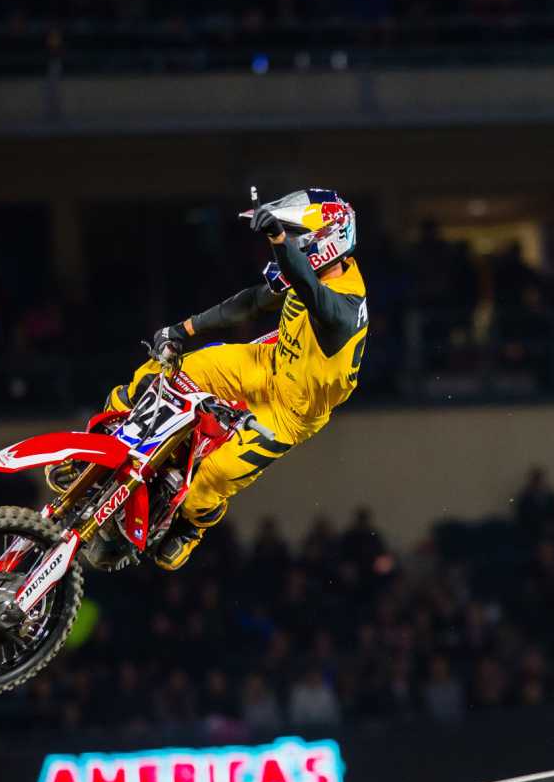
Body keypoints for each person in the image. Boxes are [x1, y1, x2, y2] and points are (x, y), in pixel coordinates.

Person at [100, 187, 368, 569]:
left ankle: (193, 526)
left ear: (322, 242)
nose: (287, 243)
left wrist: (278, 240)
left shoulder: (343, 305)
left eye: (294, 236)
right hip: (266, 362)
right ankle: (103, 437)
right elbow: (252, 301)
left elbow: (308, 289)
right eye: (287, 236)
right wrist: (182, 329)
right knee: (166, 372)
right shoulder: (315, 269)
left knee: (210, 481)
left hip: (289, 412)